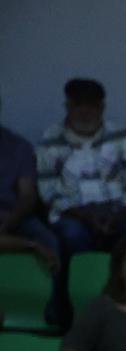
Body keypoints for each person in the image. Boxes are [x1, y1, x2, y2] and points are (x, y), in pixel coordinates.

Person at [37, 78, 126, 259]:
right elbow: (48, 191)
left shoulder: (123, 134)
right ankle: (79, 279)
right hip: (72, 215)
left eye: (91, 105)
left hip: (118, 213)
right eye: (78, 105)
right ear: (67, 106)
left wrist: (118, 216)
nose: (85, 112)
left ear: (102, 107)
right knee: (73, 236)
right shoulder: (49, 139)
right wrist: (85, 216)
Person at [0, 93, 59, 269]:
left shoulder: (18, 146)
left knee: (48, 240)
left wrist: (10, 221)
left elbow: (27, 195)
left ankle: (53, 288)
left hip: (12, 214)